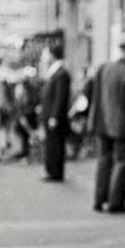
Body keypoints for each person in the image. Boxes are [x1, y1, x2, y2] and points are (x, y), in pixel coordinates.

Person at [87, 31, 125, 213]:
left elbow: (94, 97)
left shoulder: (104, 68)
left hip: (102, 123)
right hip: (121, 128)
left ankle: (98, 199)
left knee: (103, 161)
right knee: (121, 163)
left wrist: (93, 121)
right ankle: (115, 202)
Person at [39, 40, 71, 181]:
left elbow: (60, 97)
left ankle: (55, 172)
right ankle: (51, 170)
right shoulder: (54, 72)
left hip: (54, 117)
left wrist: (54, 116)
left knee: (55, 144)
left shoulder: (61, 73)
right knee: (51, 144)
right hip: (50, 115)